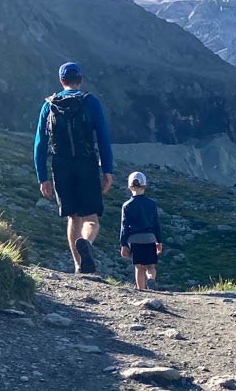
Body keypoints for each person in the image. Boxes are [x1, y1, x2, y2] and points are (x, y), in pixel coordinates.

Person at [34, 62, 114, 274]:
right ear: (80, 80)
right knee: (91, 218)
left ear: (61, 81)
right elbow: (103, 138)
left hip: (61, 166)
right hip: (86, 164)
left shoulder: (48, 105)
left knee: (73, 217)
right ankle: (86, 242)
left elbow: (40, 144)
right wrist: (107, 170)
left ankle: (79, 266)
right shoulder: (91, 102)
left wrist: (43, 177)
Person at [119, 172, 163, 290]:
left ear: (129, 187)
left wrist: (123, 244)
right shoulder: (151, 204)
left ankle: (142, 290)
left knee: (139, 267)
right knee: (150, 266)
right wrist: (159, 241)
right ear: (145, 186)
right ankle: (151, 279)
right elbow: (156, 224)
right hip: (150, 238)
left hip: (134, 239)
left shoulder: (126, 205)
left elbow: (124, 226)